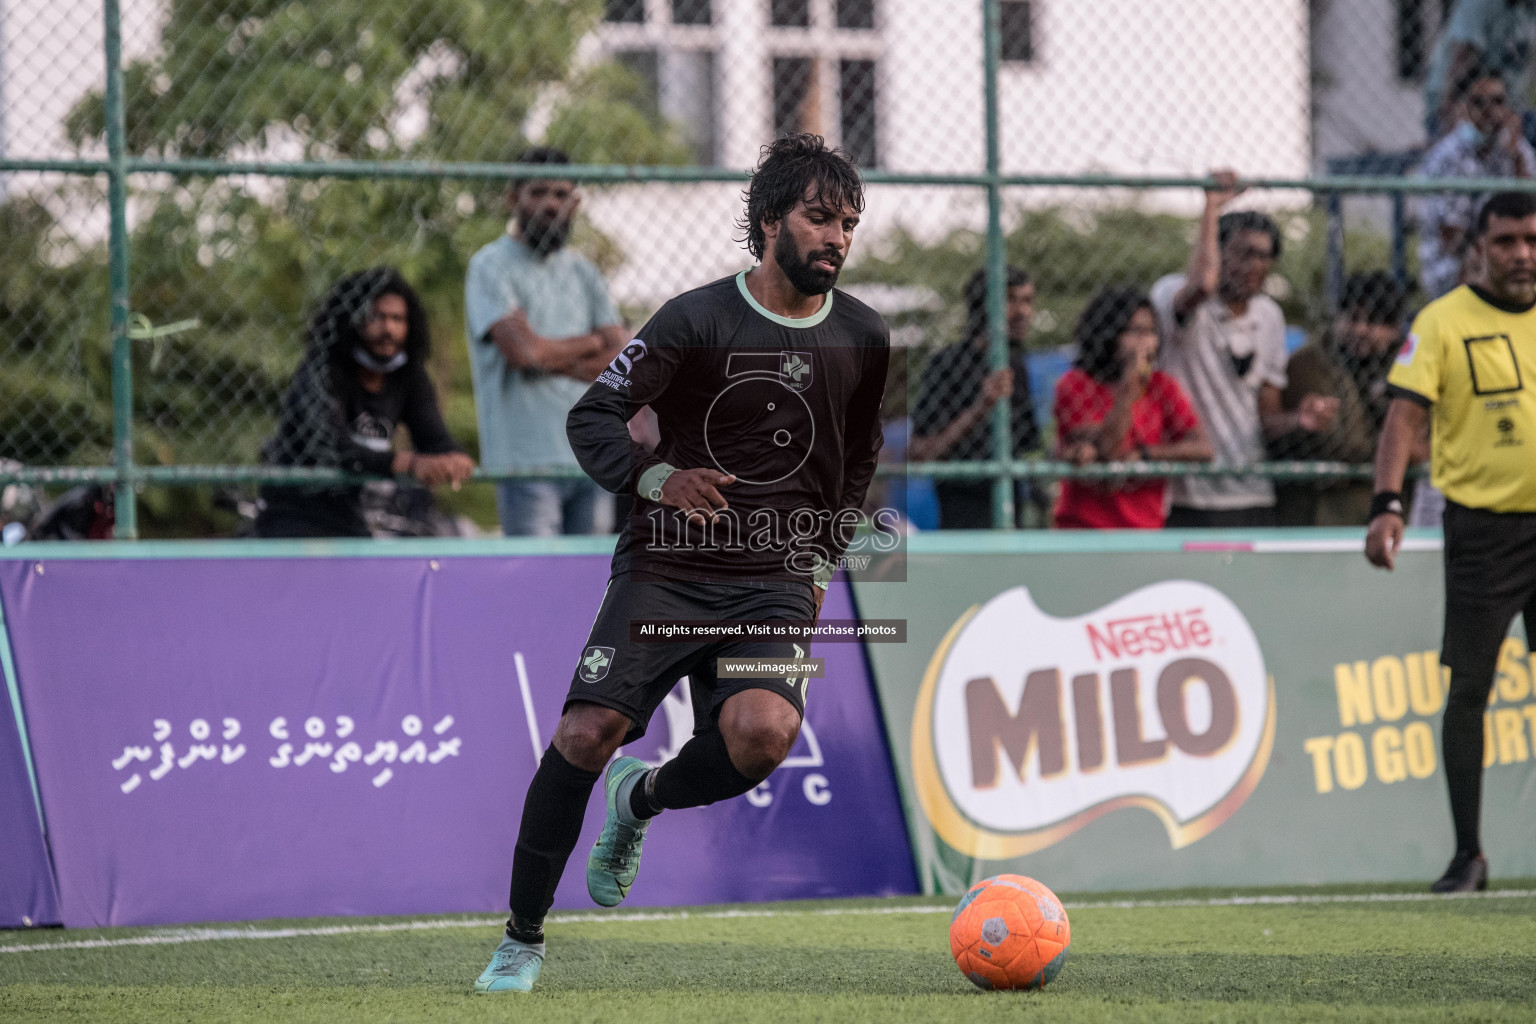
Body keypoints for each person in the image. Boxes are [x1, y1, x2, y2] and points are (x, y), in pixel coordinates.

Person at [474, 134, 889, 993]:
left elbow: (857, 468)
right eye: (819, 218)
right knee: (587, 734)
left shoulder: (864, 335)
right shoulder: (695, 318)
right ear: (770, 220)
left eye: (848, 223)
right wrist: (658, 476)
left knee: (763, 736)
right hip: (667, 570)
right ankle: (521, 939)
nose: (836, 238)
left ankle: (642, 800)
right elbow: (593, 416)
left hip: (775, 584)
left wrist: (819, 574)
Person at [1365, 190, 1536, 893]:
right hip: (1485, 531)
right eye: (1506, 242)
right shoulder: (1442, 321)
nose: (1523, 254)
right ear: (1480, 248)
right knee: (1470, 690)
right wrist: (1387, 503)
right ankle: (1470, 855)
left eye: (1532, 239)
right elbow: (1404, 419)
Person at [1151, 169, 1338, 527]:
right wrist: (1211, 207)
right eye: (1242, 253)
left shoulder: (1269, 316)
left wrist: (1299, 419)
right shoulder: (1174, 296)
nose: (1253, 266)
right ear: (1216, 251)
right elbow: (1203, 285)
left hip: (1250, 490)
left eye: (1263, 256)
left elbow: (1266, 414)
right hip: (1187, 493)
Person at [464, 147, 628, 536]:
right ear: (513, 199)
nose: (550, 205)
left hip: (592, 457)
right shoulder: (490, 267)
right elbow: (522, 354)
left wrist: (545, 352)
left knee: (588, 588)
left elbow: (622, 360)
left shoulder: (584, 273)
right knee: (535, 582)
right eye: (537, 193)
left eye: (560, 195)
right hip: (525, 463)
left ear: (574, 203)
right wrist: (592, 342)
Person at [254, 268, 474, 538]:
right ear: (351, 320)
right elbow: (332, 449)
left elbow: (433, 437)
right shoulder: (322, 371)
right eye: (377, 317)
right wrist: (408, 463)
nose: (388, 328)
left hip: (352, 516)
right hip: (296, 512)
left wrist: (453, 457)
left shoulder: (407, 376)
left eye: (398, 319)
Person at [1052, 288, 1212, 529]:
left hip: (1143, 526)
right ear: (1109, 333)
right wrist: (1129, 387)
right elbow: (1109, 450)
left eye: (1151, 332)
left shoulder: (1162, 386)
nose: (1145, 342)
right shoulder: (1075, 384)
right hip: (1083, 527)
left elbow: (1203, 449)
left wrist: (1146, 454)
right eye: (1135, 331)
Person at [1272, 272, 1415, 526]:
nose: (1359, 329)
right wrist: (1401, 448)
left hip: (1378, 509)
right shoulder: (1311, 361)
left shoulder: (1404, 365)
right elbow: (1341, 443)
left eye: (1373, 321)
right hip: (1319, 510)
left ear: (1394, 330)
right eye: (1352, 318)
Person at [910, 265, 1043, 527]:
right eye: (1011, 300)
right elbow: (920, 453)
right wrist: (982, 407)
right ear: (983, 305)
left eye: (1028, 301)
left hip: (1010, 513)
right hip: (962, 513)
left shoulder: (1016, 363)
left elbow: (1027, 446)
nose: (1023, 312)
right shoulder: (949, 363)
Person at [1417, 67, 1536, 302]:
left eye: (1498, 101)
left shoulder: (1517, 149)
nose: (1490, 110)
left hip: (1505, 252)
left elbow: (1530, 215)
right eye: (1479, 102)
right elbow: (1452, 239)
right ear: (1463, 109)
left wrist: (1516, 161)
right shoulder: (1449, 156)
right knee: (1481, 258)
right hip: (1454, 262)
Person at [1422, 0, 1536, 141]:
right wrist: (1448, 110)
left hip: (1507, 105)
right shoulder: (1480, 4)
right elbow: (1462, 58)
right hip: (1462, 102)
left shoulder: (1529, 7)